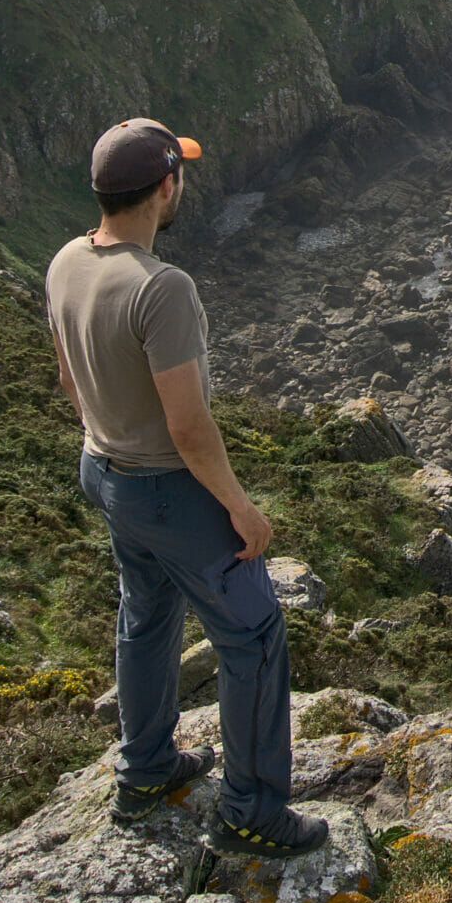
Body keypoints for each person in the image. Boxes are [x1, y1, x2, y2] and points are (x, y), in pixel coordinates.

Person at [48, 117, 325, 857]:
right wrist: (240, 508)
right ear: (166, 185)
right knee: (255, 634)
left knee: (145, 614)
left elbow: (71, 379)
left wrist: (106, 439)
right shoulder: (163, 289)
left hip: (102, 472)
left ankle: (146, 770)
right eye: (183, 173)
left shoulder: (66, 262)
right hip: (166, 490)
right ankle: (253, 813)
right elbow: (190, 425)